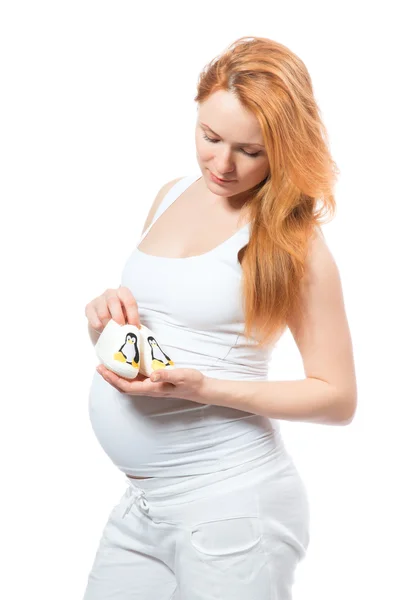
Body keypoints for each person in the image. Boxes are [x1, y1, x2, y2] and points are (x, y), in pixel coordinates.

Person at [83, 36, 357, 600]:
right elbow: (168, 321)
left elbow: (337, 397)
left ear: (284, 147)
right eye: (210, 138)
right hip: (145, 507)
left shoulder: (293, 243)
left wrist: (207, 387)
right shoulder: (170, 195)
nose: (223, 164)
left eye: (250, 151)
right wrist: (105, 325)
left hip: (232, 510)